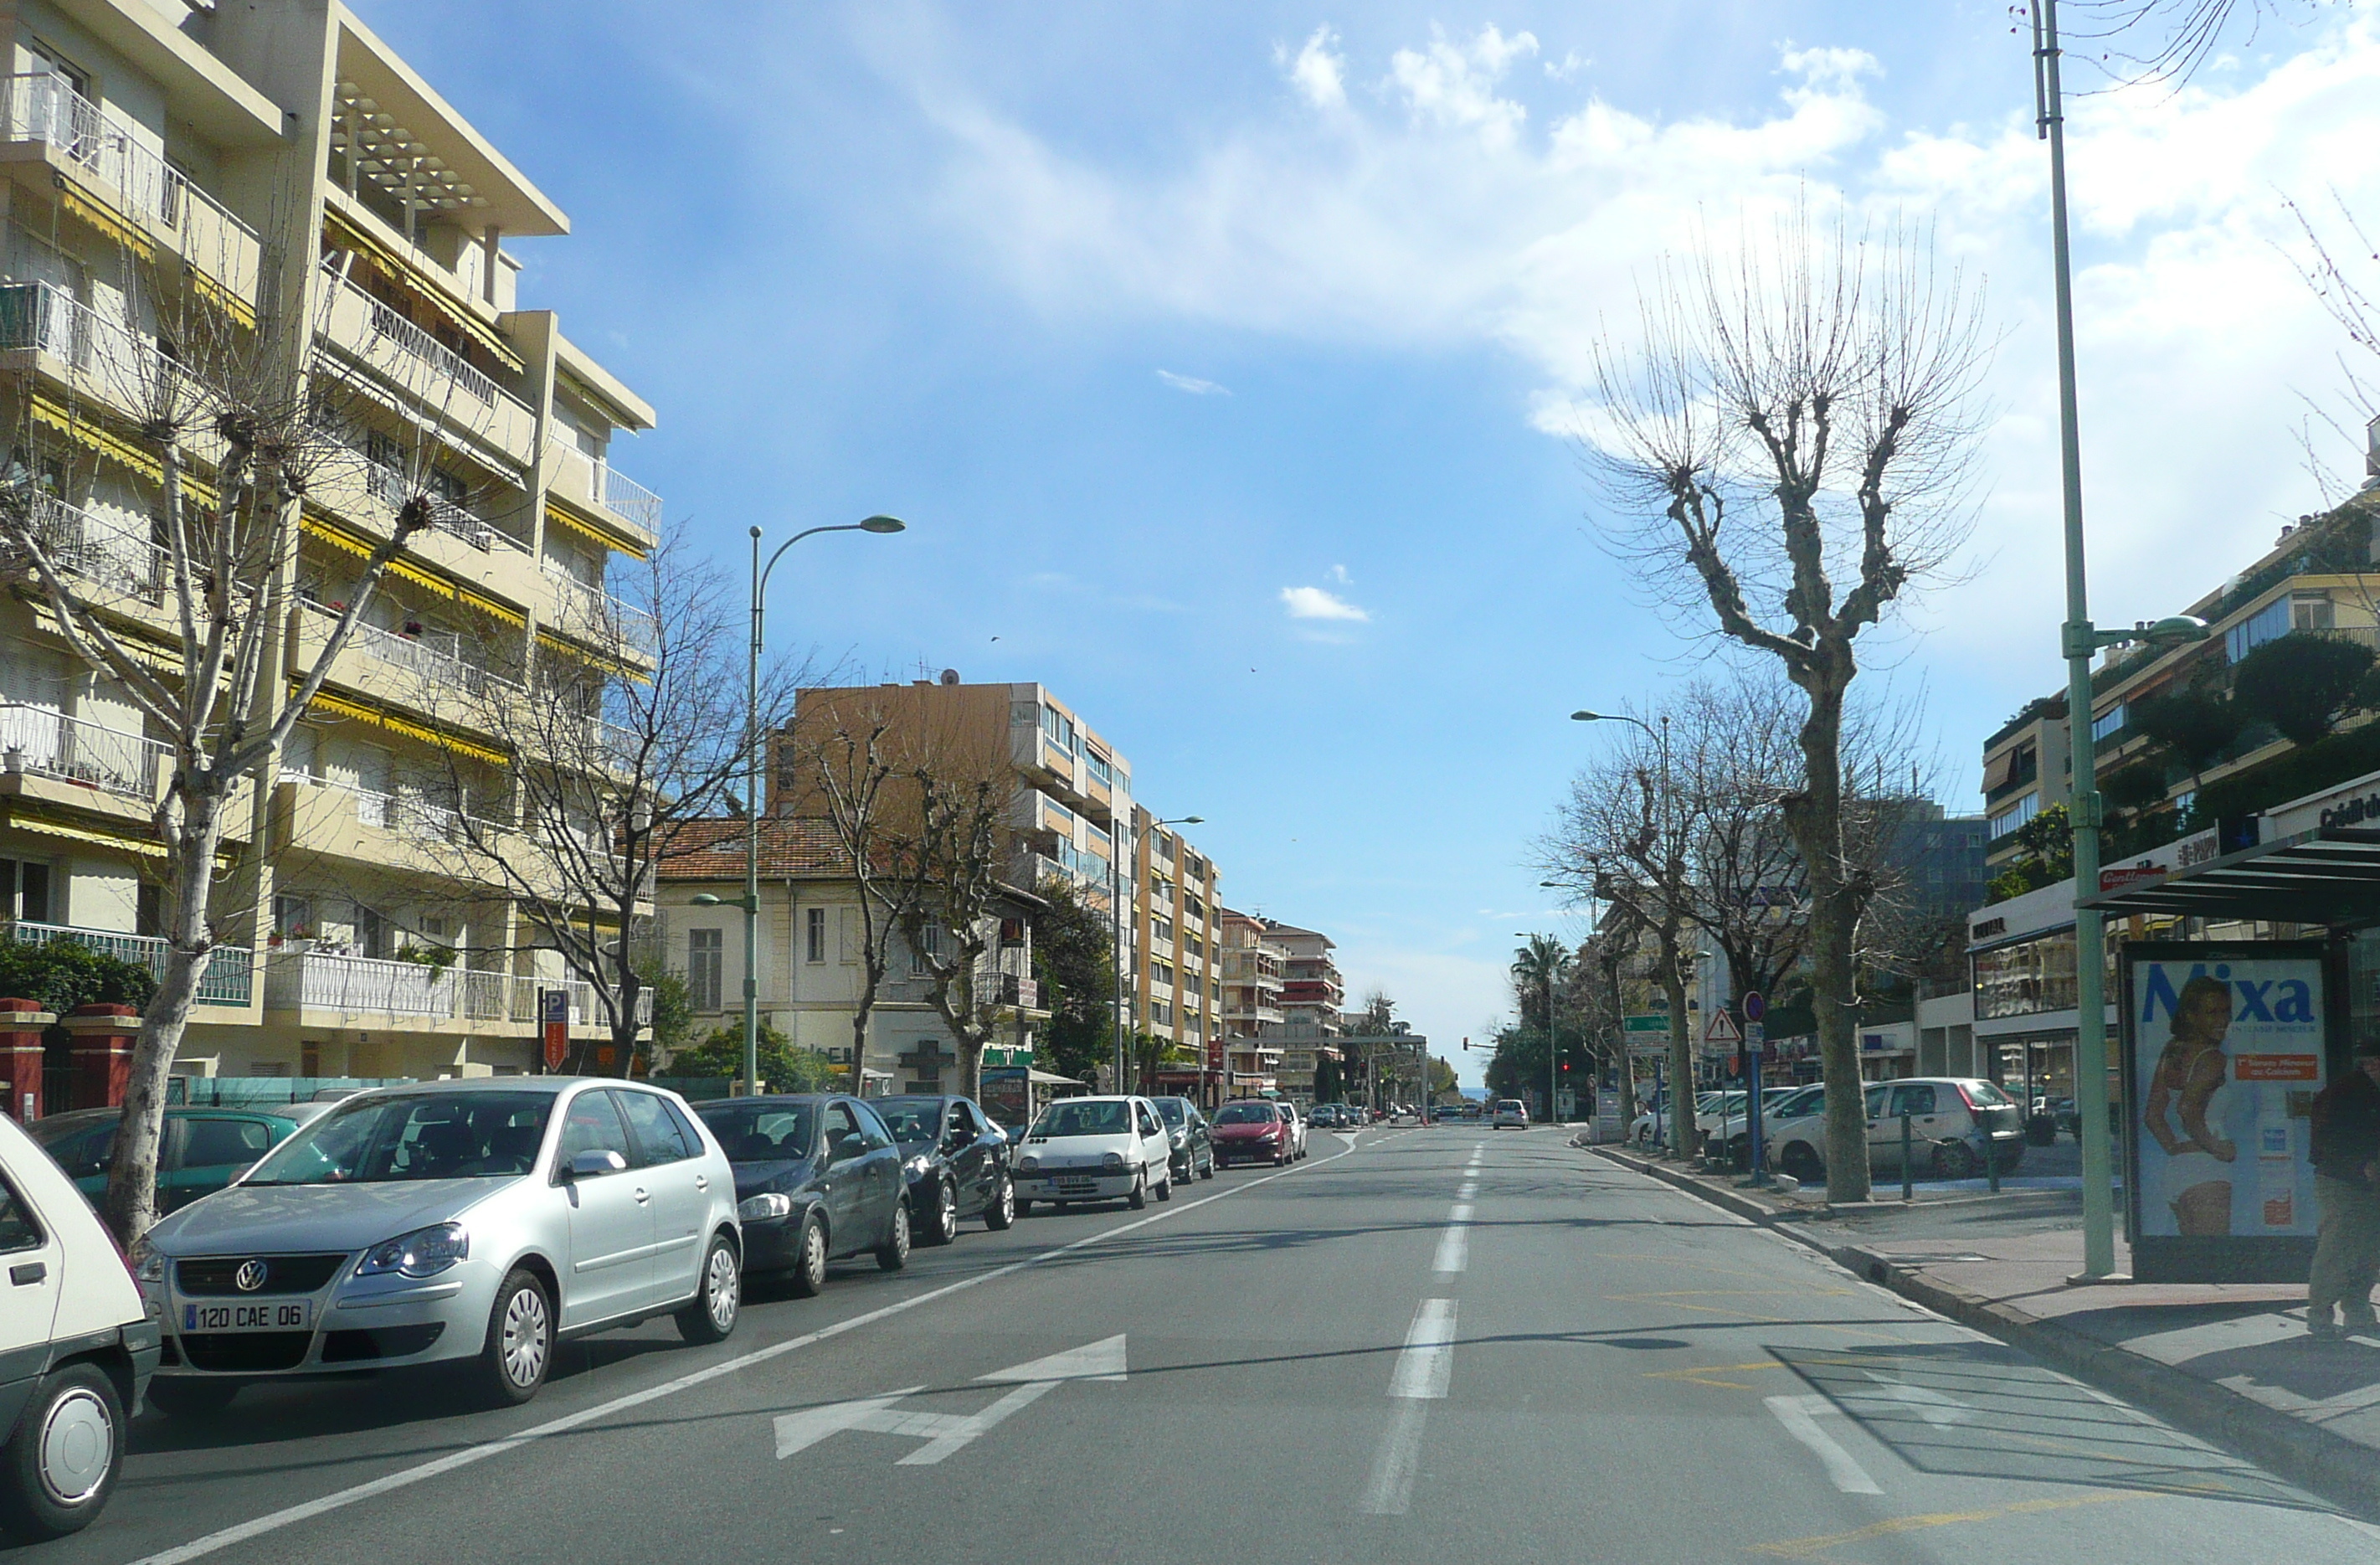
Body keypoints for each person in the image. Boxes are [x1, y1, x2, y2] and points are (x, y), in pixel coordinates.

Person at [2143, 976, 2238, 1235]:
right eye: (2211, 1012)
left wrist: (2175, 1148)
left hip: (2177, 1169)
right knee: (2216, 1258)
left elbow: (2153, 1115)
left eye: (2225, 1010)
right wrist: (2217, 1147)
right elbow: (2188, 1110)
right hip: (2208, 1169)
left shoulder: (2173, 1050)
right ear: (2191, 1016)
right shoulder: (2212, 1058)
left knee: (2196, 1258)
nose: (2222, 1020)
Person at [2307, 1038, 2380, 1338]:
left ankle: (2358, 1309)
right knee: (2339, 1246)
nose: (2373, 1067)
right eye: (2368, 1063)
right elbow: (2324, 1139)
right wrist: (2358, 1163)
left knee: (2371, 1249)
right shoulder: (2343, 1092)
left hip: (2371, 1181)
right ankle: (2320, 1311)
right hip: (2341, 1180)